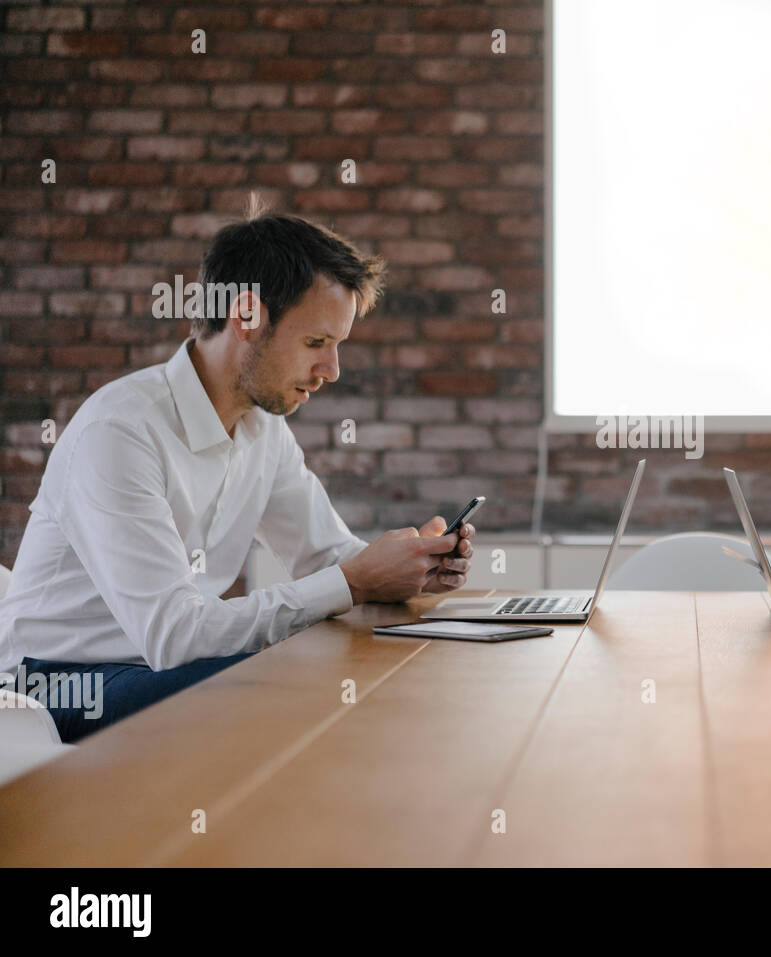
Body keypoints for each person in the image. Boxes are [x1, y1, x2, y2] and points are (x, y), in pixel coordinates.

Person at [0, 200, 476, 741]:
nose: (331, 370)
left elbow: (326, 556)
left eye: (337, 347)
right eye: (316, 343)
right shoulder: (120, 432)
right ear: (246, 317)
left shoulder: (261, 429)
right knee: (277, 687)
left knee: (313, 674)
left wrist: (409, 568)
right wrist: (354, 580)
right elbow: (176, 636)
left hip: (156, 666)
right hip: (52, 687)